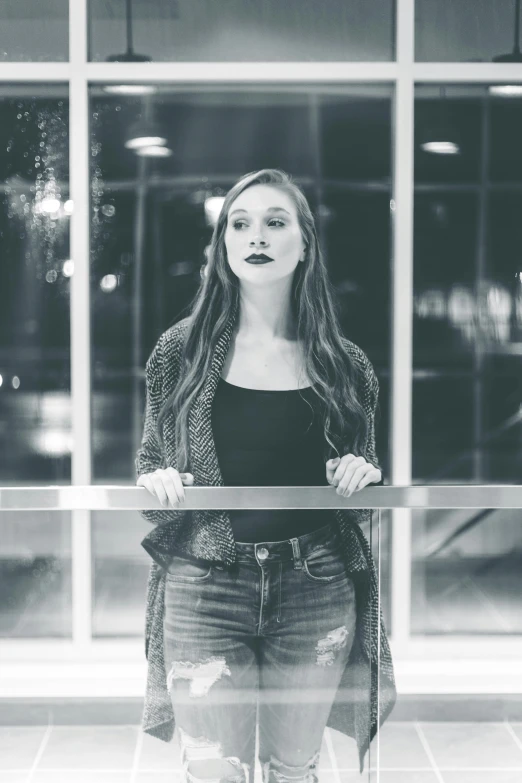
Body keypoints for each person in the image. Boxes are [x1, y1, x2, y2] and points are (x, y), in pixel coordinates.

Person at [136, 168, 396, 783]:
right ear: (224, 244)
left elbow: (361, 495)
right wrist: (158, 482)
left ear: (304, 243)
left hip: (317, 584)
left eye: (276, 223)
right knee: (214, 772)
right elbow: (150, 470)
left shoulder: (344, 364)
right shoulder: (182, 351)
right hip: (204, 586)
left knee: (292, 770)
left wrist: (362, 473)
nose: (257, 236)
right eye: (241, 223)